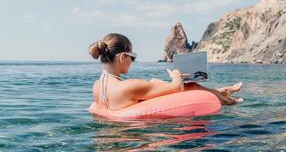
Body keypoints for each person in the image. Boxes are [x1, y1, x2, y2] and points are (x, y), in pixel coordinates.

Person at [89, 33, 243, 111]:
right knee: (191, 85)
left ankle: (223, 92)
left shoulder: (97, 86)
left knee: (162, 84)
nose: (132, 61)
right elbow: (178, 87)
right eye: (132, 57)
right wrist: (175, 74)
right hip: (134, 142)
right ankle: (230, 101)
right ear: (123, 57)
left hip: (115, 142)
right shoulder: (129, 86)